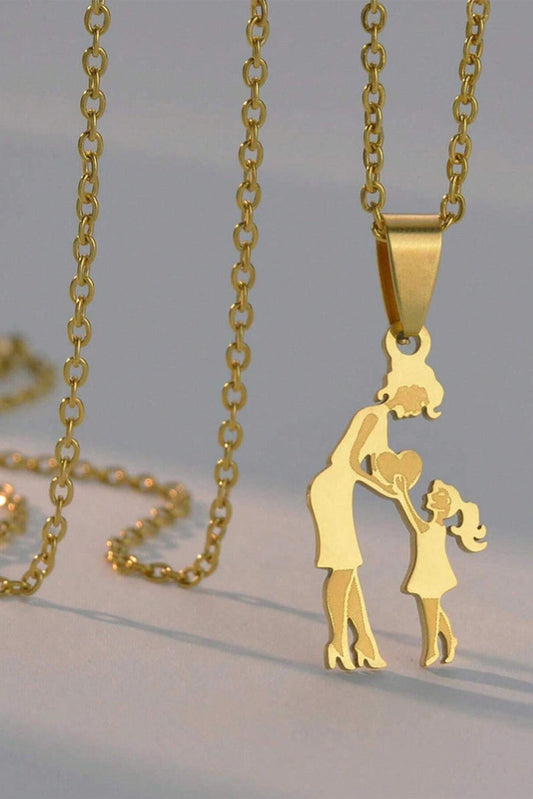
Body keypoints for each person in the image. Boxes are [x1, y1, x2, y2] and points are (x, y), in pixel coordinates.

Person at [394, 476, 487, 666]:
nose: (429, 495)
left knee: (431, 609)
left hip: (432, 575)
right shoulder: (434, 527)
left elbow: (412, 519)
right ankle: (449, 639)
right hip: (427, 573)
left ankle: (431, 649)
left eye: (437, 495)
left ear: (445, 506)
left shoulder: (433, 528)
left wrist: (402, 494)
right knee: (433, 609)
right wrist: (401, 494)